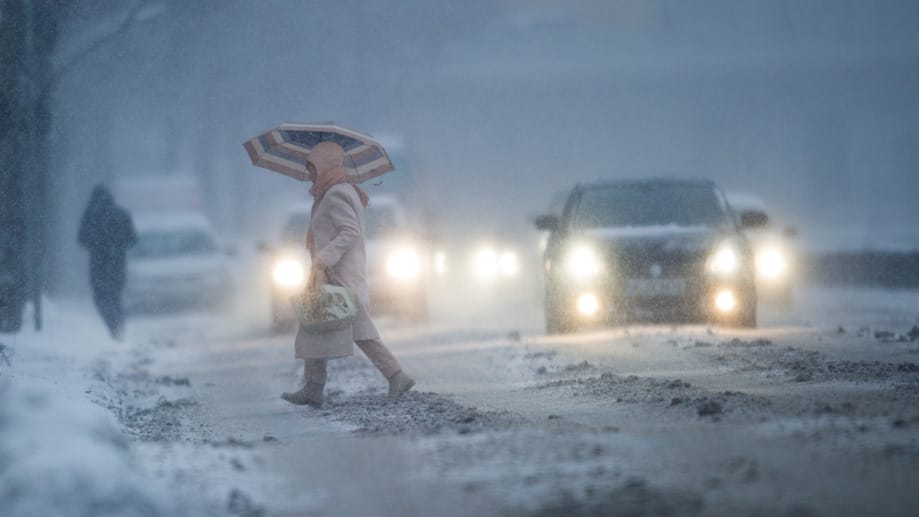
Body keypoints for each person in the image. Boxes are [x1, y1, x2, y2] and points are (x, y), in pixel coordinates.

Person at [282, 141, 415, 407]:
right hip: (333, 274)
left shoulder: (335, 195)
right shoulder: (334, 191)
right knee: (315, 326)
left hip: (340, 275)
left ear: (326, 166)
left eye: (312, 167)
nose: (309, 173)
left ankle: (396, 375)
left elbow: (350, 231)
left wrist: (323, 258)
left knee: (355, 330)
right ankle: (314, 387)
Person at [78, 184, 137, 340]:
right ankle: (118, 324)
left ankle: (113, 324)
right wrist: (118, 245)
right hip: (118, 263)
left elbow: (82, 239)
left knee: (100, 297)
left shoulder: (90, 216)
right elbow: (132, 239)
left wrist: (98, 245)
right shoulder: (122, 214)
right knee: (115, 295)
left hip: (97, 264)